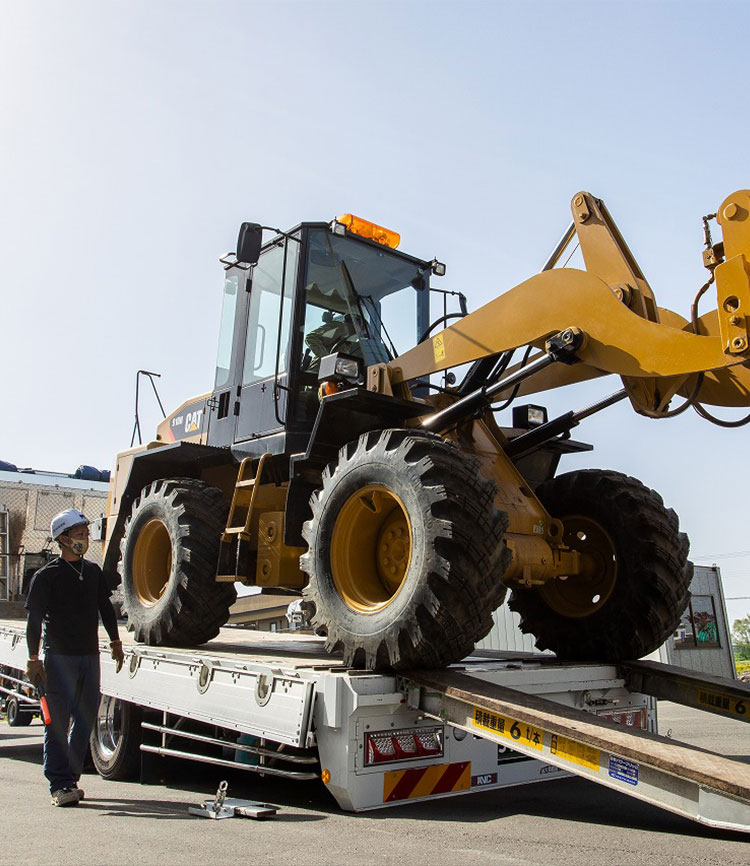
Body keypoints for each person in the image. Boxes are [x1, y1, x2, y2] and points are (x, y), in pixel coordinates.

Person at [24, 508, 125, 807]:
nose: (85, 538)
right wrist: (33, 659)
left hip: (88, 656)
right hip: (58, 658)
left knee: (85, 718)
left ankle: (70, 776)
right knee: (56, 722)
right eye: (79, 534)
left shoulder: (92, 572)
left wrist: (115, 641)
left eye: (85, 533)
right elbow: (34, 621)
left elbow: (105, 609)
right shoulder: (46, 576)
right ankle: (59, 783)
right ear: (64, 539)